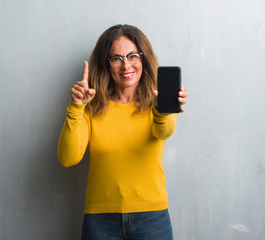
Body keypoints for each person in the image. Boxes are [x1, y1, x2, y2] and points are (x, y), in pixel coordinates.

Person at [57, 24, 188, 240]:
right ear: (106, 64)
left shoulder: (159, 100)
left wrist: (162, 109)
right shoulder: (92, 106)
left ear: (143, 58)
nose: (126, 65)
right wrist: (76, 107)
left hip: (152, 217)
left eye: (132, 56)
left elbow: (164, 132)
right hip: (100, 220)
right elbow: (68, 158)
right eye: (116, 58)